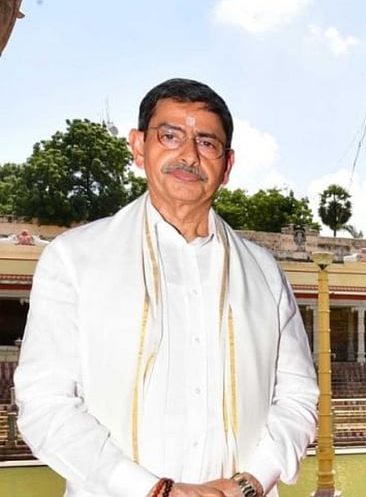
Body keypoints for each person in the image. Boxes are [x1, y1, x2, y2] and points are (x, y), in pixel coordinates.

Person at [14, 78, 319, 497]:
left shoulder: (264, 272)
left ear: (226, 166)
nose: (189, 155)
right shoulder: (75, 259)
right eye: (170, 135)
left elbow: (299, 396)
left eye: (207, 143)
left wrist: (249, 483)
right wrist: (154, 490)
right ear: (139, 147)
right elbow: (45, 404)